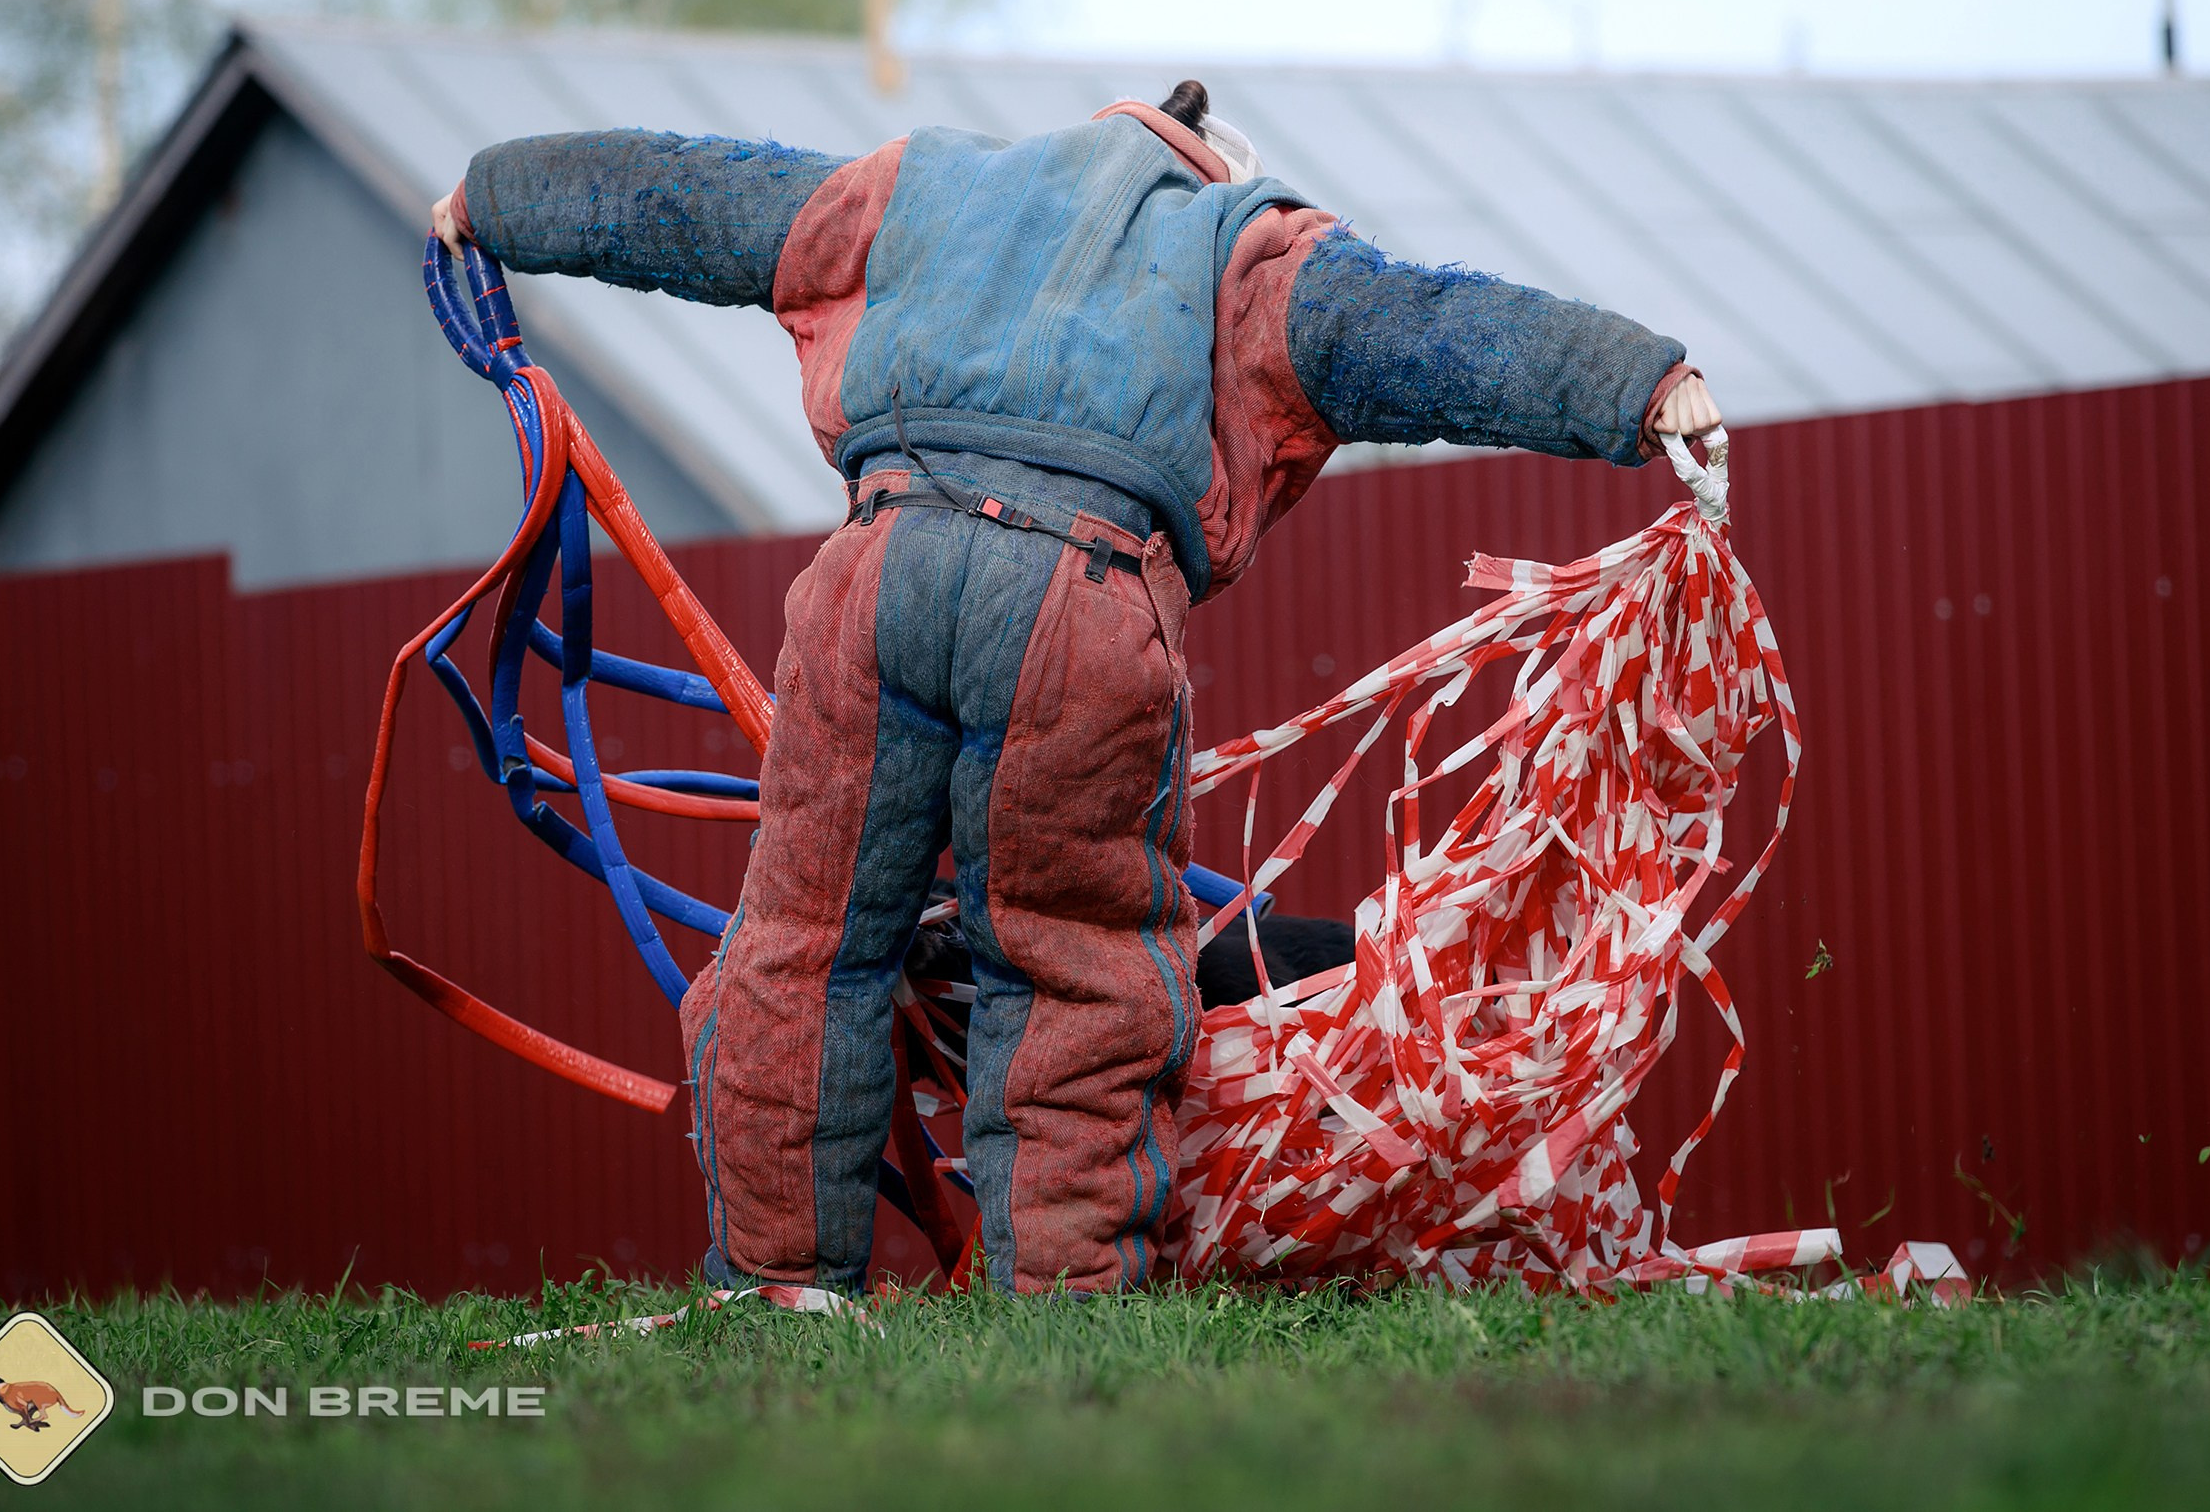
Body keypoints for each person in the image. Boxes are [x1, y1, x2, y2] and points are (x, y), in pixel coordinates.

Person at [429, 79, 1723, 1295]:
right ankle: (1064, 1294)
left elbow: (683, 198)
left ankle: (779, 1285)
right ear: (1213, 174)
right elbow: (1432, 332)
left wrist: (493, 197)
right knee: (1074, 960)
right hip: (1082, 602)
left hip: (872, 569)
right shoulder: (1244, 258)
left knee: (805, 939)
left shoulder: (919, 193)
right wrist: (1641, 385)